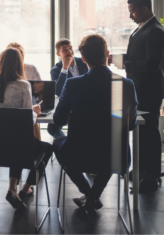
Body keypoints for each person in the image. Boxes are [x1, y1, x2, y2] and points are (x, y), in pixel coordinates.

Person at [53, 35, 138, 211]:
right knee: (109, 148)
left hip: (79, 154)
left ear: (83, 59)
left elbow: (58, 121)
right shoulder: (125, 84)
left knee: (58, 143)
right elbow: (130, 125)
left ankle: (88, 192)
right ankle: (94, 194)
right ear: (107, 54)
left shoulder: (73, 85)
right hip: (117, 156)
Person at [0, 48, 53, 210]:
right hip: (18, 147)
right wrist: (34, 112)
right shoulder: (23, 85)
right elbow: (27, 122)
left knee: (18, 141)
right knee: (46, 148)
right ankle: (25, 188)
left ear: (0, 62)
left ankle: (13, 188)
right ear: (19, 65)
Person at [110, 0, 164, 193]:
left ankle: (151, 177)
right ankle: (141, 170)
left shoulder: (155, 31)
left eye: (132, 10)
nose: (130, 15)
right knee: (141, 132)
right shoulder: (141, 30)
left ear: (144, 9)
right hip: (139, 90)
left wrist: (127, 63)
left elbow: (152, 64)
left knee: (149, 132)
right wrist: (119, 59)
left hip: (149, 92)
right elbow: (138, 55)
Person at [48, 38, 88, 139]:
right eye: (65, 49)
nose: (69, 52)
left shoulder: (84, 62)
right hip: (68, 106)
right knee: (52, 127)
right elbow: (58, 91)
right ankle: (66, 143)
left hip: (86, 104)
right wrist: (64, 69)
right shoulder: (56, 70)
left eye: (70, 48)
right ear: (58, 53)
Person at [7, 42, 42, 140]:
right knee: (32, 119)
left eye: (20, 52)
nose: (19, 55)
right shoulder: (24, 84)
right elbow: (27, 115)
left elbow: (40, 87)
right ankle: (36, 148)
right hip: (20, 113)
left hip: (31, 101)